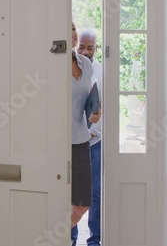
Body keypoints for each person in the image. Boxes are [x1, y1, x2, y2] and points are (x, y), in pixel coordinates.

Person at [70, 23, 101, 246]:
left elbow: (88, 102)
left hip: (81, 140)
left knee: (82, 204)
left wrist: (95, 112)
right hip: (58, 142)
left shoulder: (86, 65)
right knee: (59, 198)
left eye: (73, 30)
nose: (72, 34)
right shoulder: (50, 65)